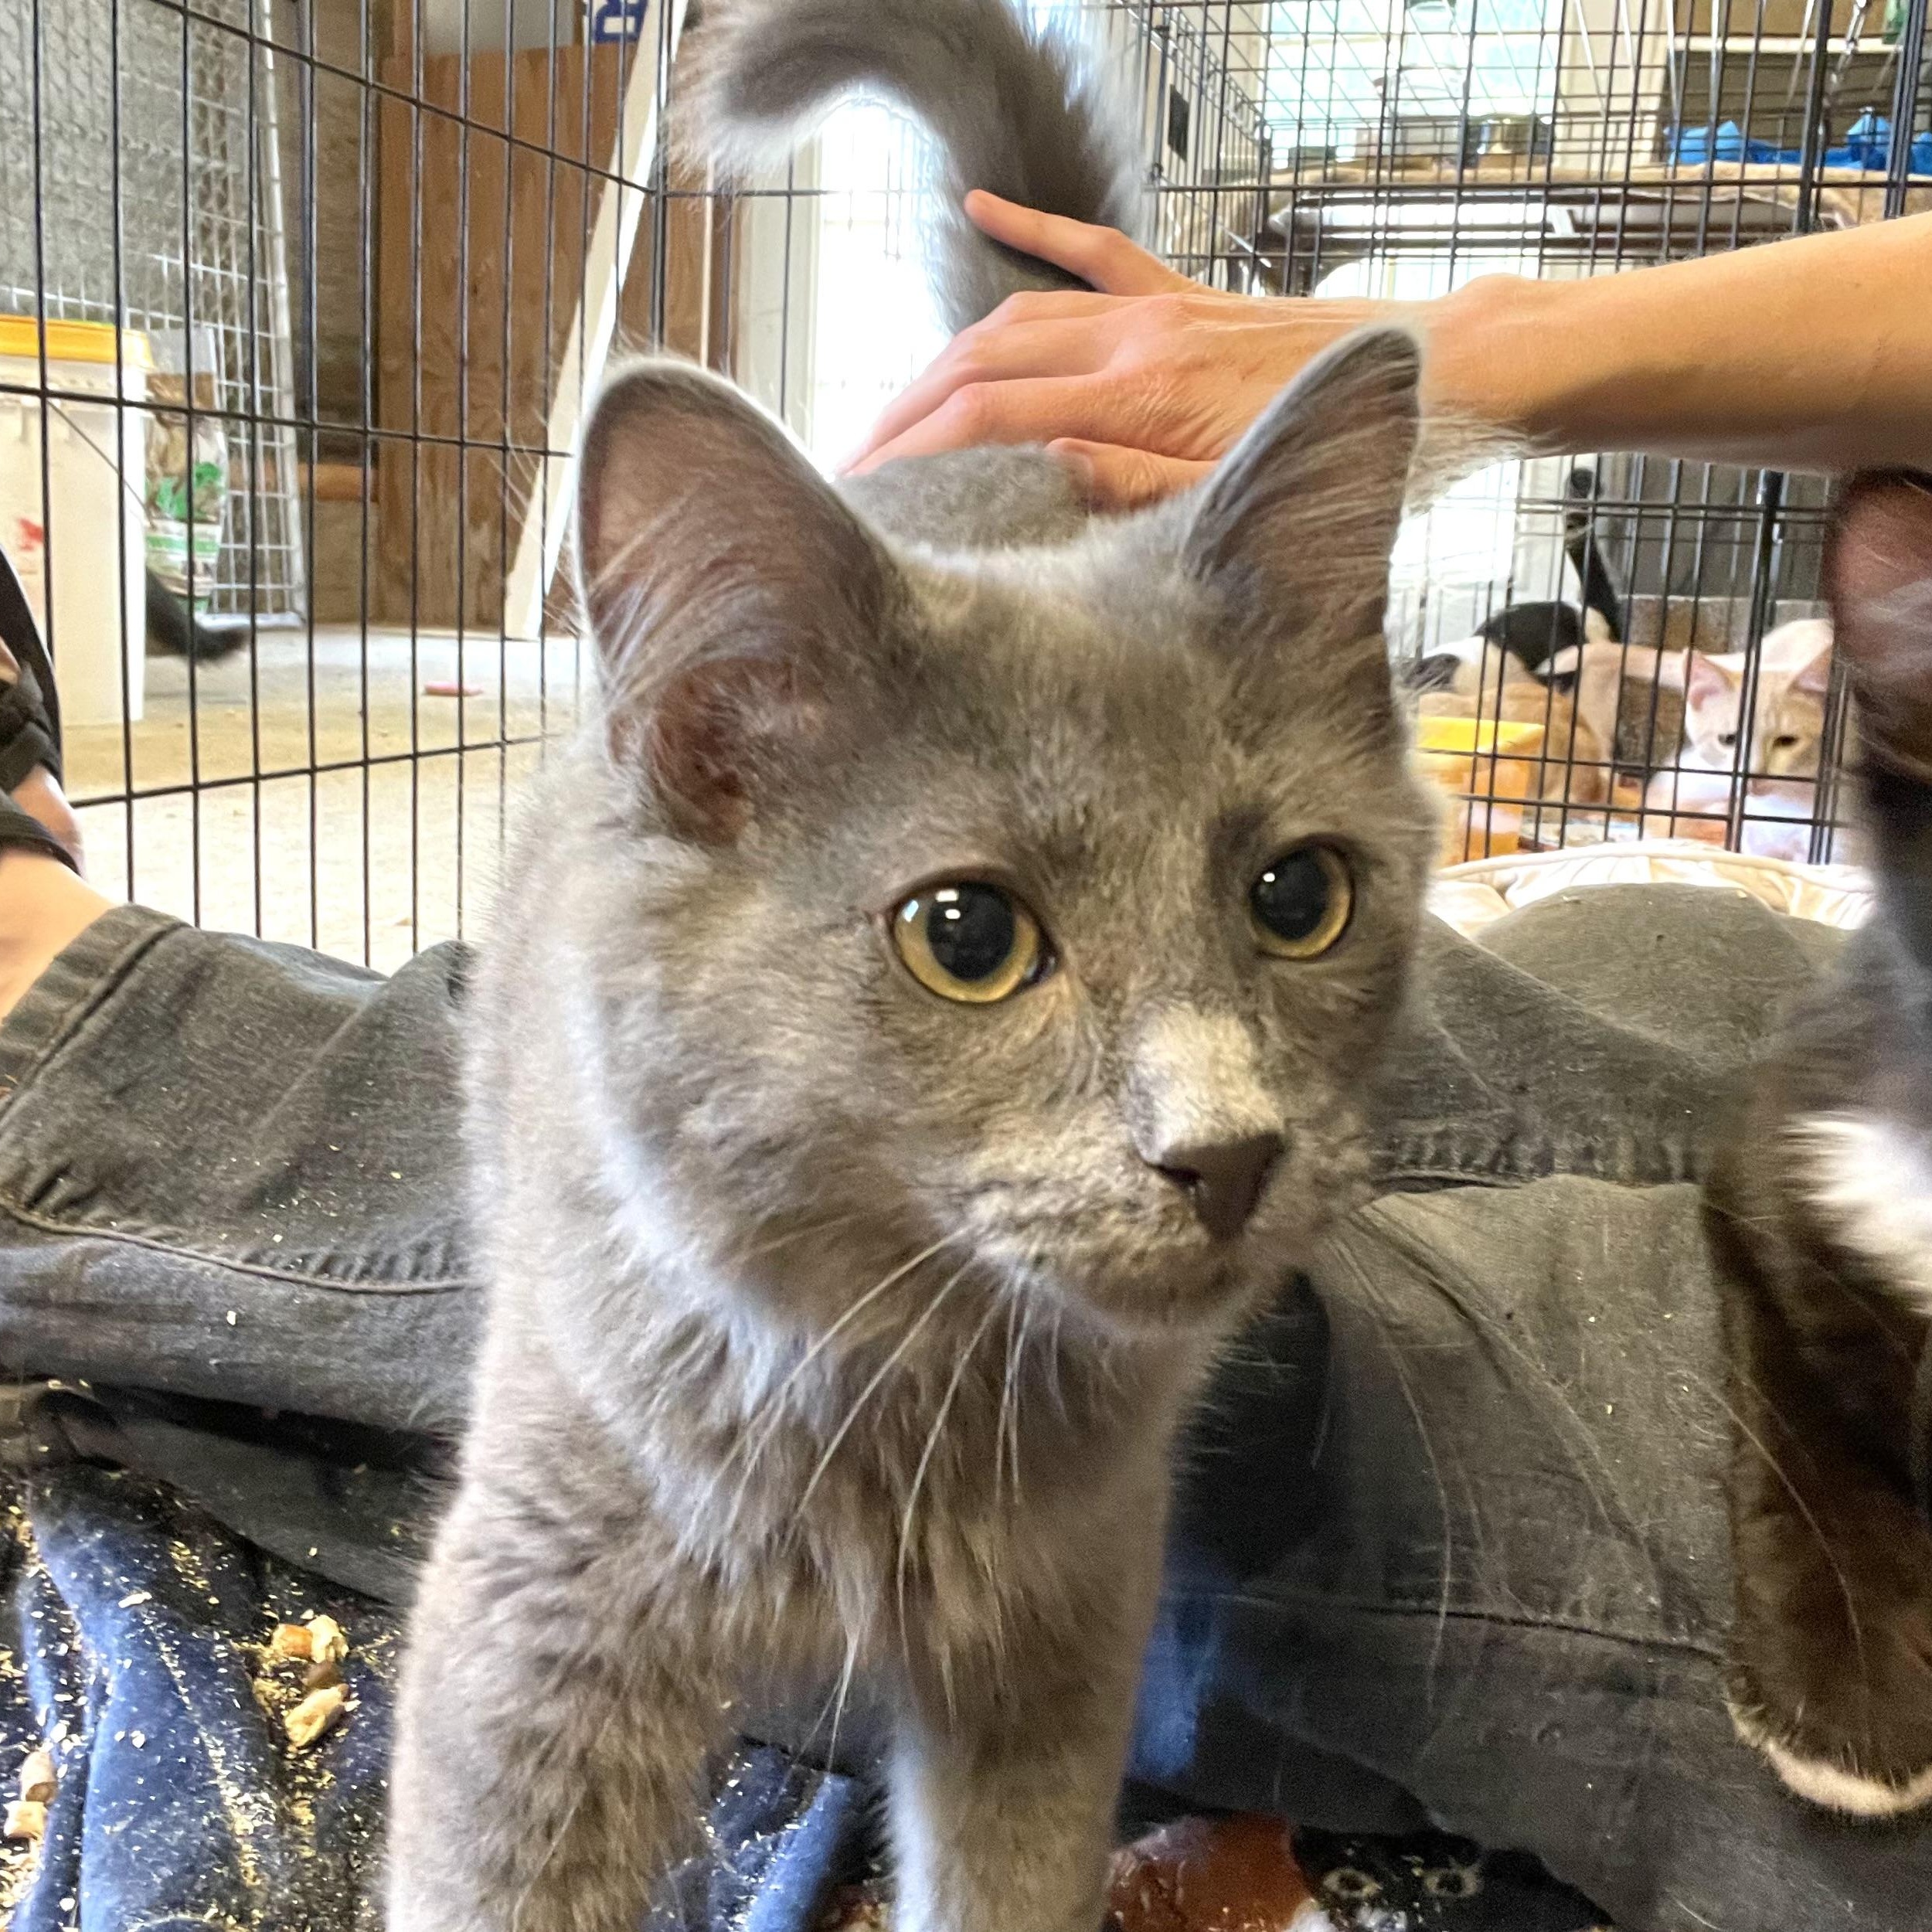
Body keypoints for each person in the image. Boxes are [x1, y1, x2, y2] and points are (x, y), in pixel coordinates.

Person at [0, 209, 1929, 1932]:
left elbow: (1038, 1667)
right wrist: (1514, 345)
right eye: (968, 933)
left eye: (1295, 893)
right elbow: (536, 1691)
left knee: (1599, 1092)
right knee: (1683, 991)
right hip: (719, 1127)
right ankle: (52, 1001)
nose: (1215, 1112)